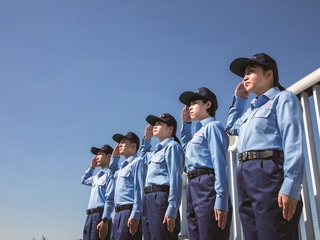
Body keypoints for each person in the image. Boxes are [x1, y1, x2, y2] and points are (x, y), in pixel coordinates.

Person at [226, 52, 304, 240]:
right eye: (244, 74)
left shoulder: (283, 99)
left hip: (268, 171)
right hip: (244, 174)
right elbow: (231, 127)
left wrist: (291, 185)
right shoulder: (250, 110)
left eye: (251, 71)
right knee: (252, 234)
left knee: (274, 232)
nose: (245, 77)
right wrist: (239, 100)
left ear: (269, 75)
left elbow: (293, 141)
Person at [179, 87, 232, 240]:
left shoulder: (213, 127)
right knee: (195, 233)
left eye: (194, 103)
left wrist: (221, 198)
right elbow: (187, 150)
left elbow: (220, 164)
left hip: (208, 185)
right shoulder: (197, 133)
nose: (190, 107)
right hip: (193, 185)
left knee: (211, 233)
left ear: (208, 105)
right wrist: (186, 125)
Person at [140, 113, 184, 240]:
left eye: (159, 124)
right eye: (155, 124)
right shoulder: (155, 152)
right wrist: (147, 139)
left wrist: (172, 208)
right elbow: (143, 158)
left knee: (162, 236)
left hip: (161, 198)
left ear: (170, 129)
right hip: (148, 199)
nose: (155, 126)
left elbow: (175, 177)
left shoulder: (172, 147)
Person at [110, 132, 144, 240]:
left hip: (129, 212)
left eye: (123, 143)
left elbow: (140, 189)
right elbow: (110, 175)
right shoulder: (121, 167)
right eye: (119, 143)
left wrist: (135, 214)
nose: (119, 145)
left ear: (133, 145)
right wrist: (114, 158)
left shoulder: (138, 162)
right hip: (118, 213)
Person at [81, 144, 115, 240]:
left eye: (100, 154)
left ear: (108, 157)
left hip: (100, 216)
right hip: (90, 216)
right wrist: (91, 167)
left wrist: (105, 219)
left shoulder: (111, 175)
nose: (97, 157)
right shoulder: (96, 177)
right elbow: (83, 180)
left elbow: (110, 199)